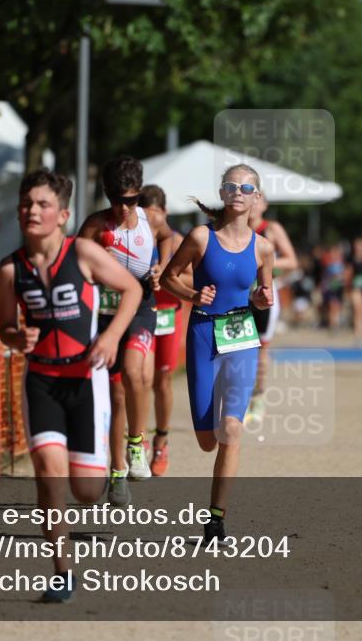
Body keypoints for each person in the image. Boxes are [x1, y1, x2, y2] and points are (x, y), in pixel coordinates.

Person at [0, 168, 143, 602]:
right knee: (48, 474)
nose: (32, 211)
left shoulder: (82, 253)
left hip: (85, 379)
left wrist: (111, 337)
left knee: (86, 491)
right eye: (26, 204)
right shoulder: (9, 270)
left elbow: (132, 290)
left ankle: (102, 462)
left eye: (43, 204)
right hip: (41, 380)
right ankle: (62, 573)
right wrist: (16, 338)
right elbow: (5, 328)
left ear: (62, 214)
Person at [160, 164, 274, 544]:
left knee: (232, 428)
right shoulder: (200, 237)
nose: (239, 192)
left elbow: (263, 297)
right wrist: (193, 295)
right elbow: (168, 278)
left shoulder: (263, 248)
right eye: (232, 186)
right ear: (223, 193)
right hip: (203, 334)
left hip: (241, 334)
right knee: (208, 440)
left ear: (257, 198)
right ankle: (215, 505)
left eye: (247, 188)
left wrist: (261, 299)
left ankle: (216, 519)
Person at [77, 156, 173, 504]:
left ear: (139, 194)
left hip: (142, 306)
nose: (124, 207)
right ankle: (117, 471)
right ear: (107, 194)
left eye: (131, 200)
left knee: (135, 372)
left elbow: (167, 237)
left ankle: (136, 444)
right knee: (116, 395)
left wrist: (162, 265)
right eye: (117, 200)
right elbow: (75, 262)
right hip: (105, 313)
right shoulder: (95, 226)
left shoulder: (152, 219)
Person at [138, 184, 189, 476]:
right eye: (145, 215)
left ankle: (162, 440)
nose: (151, 221)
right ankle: (139, 438)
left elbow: (195, 276)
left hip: (168, 315)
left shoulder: (178, 240)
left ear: (164, 212)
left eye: (155, 214)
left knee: (163, 380)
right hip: (142, 313)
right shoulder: (136, 238)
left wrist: (168, 273)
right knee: (140, 379)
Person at [245, 197, 298, 424]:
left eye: (258, 200)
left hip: (264, 292)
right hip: (239, 294)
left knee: (261, 349)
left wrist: (265, 262)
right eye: (250, 200)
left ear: (265, 205)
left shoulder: (272, 229)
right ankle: (238, 398)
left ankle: (258, 397)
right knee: (237, 348)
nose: (253, 205)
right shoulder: (235, 228)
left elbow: (292, 261)